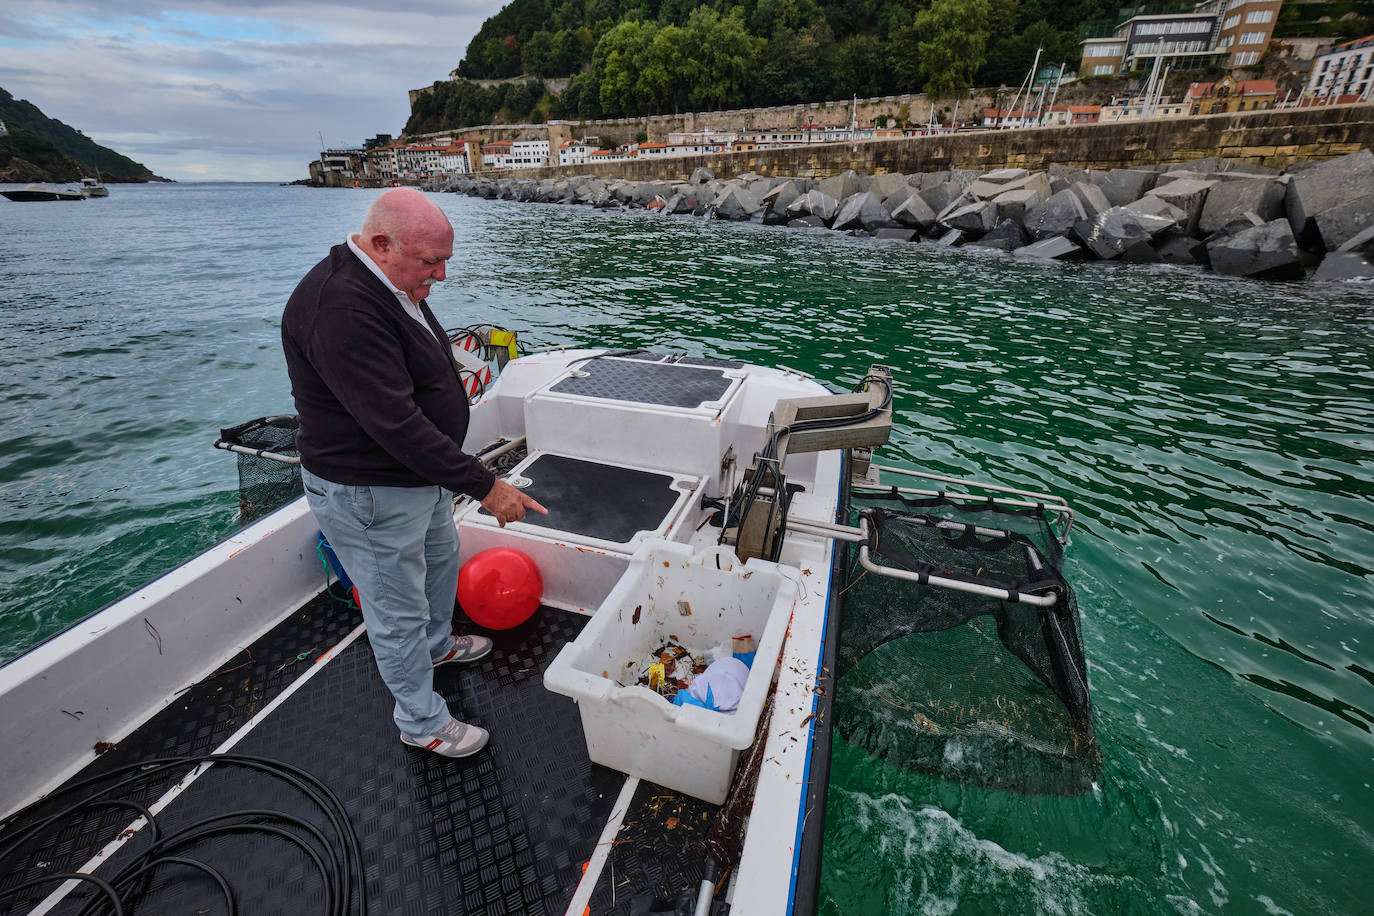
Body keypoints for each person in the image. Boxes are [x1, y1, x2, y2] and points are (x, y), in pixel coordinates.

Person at [282, 188, 546, 758]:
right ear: (381, 244)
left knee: (439, 561)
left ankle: (435, 646)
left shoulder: (390, 280)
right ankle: (421, 721)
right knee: (395, 610)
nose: (442, 275)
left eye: (444, 260)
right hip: (369, 489)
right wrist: (484, 484)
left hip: (413, 477)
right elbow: (394, 424)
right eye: (432, 262)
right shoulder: (341, 308)